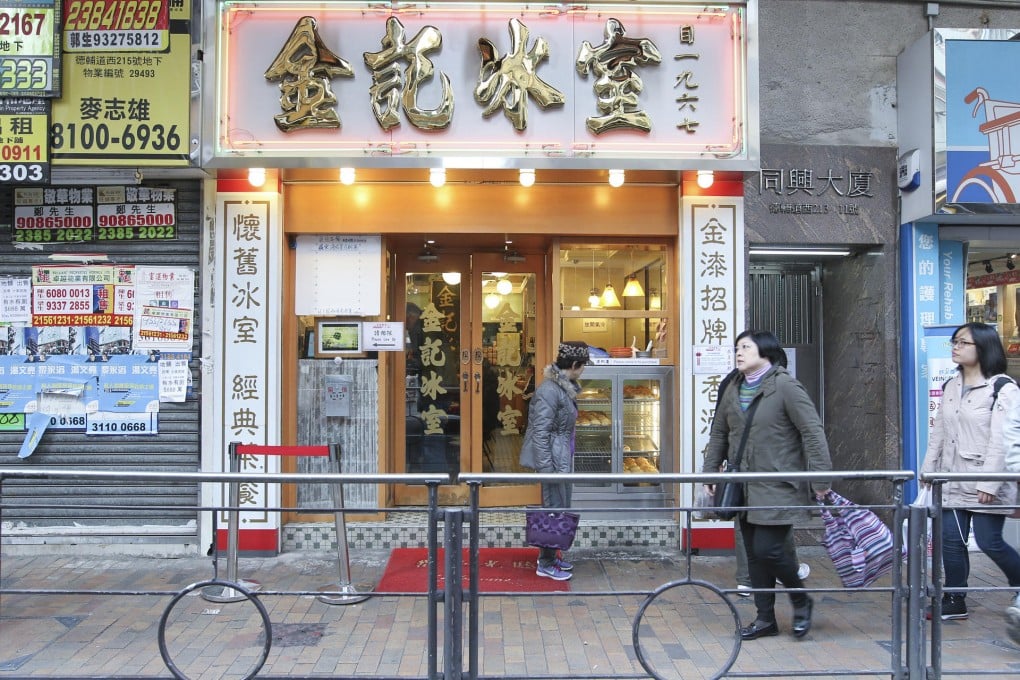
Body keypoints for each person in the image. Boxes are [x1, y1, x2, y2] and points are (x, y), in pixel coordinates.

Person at [703, 330, 832, 640]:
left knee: (769, 549)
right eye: (737, 347)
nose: (739, 352)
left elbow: (812, 431)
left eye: (746, 347)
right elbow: (719, 432)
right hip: (743, 484)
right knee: (754, 553)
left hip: (777, 483)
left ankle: (801, 601)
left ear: (767, 352)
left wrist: (820, 479)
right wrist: (710, 472)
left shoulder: (785, 386)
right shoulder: (733, 386)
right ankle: (765, 619)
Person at [922, 322, 1020, 625]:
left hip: (985, 479)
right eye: (954, 342)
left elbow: (1002, 439)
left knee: (990, 541)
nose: (955, 347)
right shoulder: (951, 385)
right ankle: (954, 598)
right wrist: (929, 470)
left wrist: (990, 482)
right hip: (951, 478)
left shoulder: (1002, 388)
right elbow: (939, 431)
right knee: (950, 540)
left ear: (983, 348)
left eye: (963, 342)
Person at [717, 352, 810, 596]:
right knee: (773, 523)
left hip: (744, 468)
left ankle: (750, 580)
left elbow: (721, 429)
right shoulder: (764, 386)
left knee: (749, 523)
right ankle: (779, 574)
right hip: (766, 469)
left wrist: (721, 461)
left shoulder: (732, 382)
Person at [519, 340, 589, 581]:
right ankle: (545, 562)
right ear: (575, 364)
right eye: (583, 365)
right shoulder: (550, 390)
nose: (584, 370)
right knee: (552, 508)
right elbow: (540, 432)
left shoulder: (563, 387)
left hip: (561, 457)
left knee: (559, 507)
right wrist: (546, 469)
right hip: (552, 459)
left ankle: (552, 555)